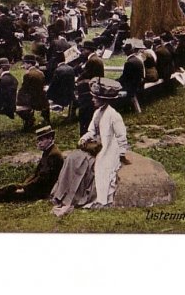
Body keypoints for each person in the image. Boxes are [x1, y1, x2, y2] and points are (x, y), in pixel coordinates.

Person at [51, 78, 130, 216]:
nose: (92, 100)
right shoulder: (97, 113)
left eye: (95, 98)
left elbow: (121, 137)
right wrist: (84, 138)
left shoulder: (114, 116)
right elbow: (91, 131)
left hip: (109, 149)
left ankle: (79, 197)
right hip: (96, 147)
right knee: (73, 158)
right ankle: (62, 194)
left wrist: (121, 154)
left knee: (89, 165)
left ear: (103, 99)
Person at [0, 128, 63, 206]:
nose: (39, 143)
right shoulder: (49, 152)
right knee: (10, 188)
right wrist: (25, 184)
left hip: (42, 191)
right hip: (38, 188)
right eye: (38, 140)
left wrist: (26, 188)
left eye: (42, 140)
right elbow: (37, 174)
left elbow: (43, 179)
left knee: (8, 192)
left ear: (50, 138)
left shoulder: (53, 155)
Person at [16, 54, 50, 132]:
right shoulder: (41, 73)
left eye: (25, 63)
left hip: (33, 101)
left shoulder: (27, 74)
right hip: (42, 99)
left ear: (29, 64)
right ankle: (46, 119)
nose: (23, 65)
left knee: (15, 106)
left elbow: (24, 89)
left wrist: (18, 96)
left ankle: (29, 119)